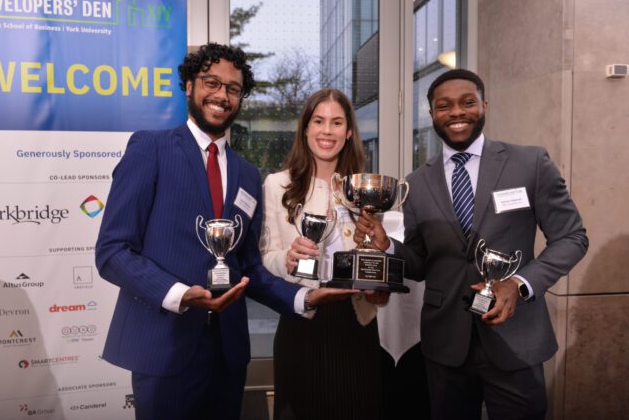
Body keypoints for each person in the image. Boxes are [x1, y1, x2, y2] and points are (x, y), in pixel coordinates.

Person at [95, 43, 355, 420]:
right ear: (188, 86)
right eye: (211, 82)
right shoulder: (150, 149)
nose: (221, 95)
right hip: (165, 345)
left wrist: (303, 300)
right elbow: (113, 251)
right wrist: (182, 294)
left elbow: (248, 265)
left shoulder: (247, 174)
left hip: (227, 354)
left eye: (233, 88)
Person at [355, 69, 588, 420]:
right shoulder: (416, 183)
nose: (456, 113)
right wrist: (388, 246)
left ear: (484, 105)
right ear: (432, 113)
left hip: (516, 336)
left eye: (467, 102)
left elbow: (572, 237)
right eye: (443, 106)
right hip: (446, 343)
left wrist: (519, 285)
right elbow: (419, 263)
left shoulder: (530, 164)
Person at [260, 88, 387, 420]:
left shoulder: (364, 190)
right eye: (318, 121)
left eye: (336, 122)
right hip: (302, 323)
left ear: (348, 133)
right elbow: (266, 255)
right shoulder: (278, 185)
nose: (326, 131)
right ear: (305, 128)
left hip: (357, 326)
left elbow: (373, 261)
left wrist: (378, 283)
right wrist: (286, 258)